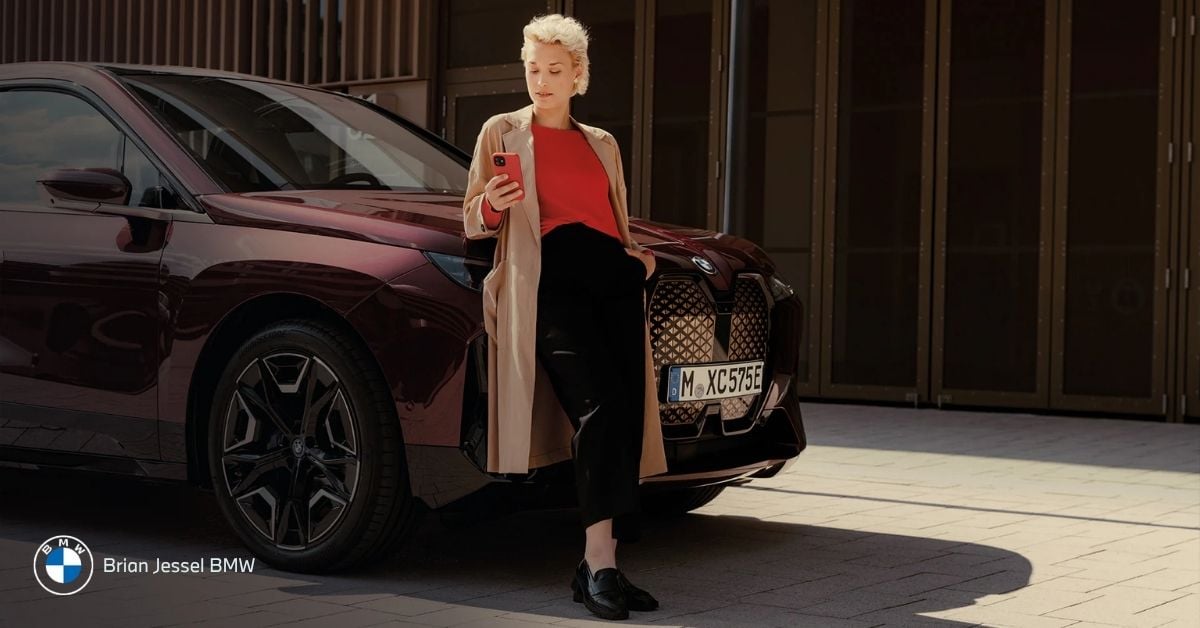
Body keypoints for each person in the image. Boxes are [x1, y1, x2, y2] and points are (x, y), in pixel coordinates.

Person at [460, 13, 667, 622]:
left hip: (615, 281)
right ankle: (597, 564)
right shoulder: (501, 130)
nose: (541, 81)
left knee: (625, 413)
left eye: (555, 70)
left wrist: (639, 265)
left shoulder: (601, 142)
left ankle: (603, 562)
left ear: (578, 76)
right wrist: (490, 209)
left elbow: (613, 220)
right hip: (551, 283)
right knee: (598, 408)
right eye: (533, 69)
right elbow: (472, 216)